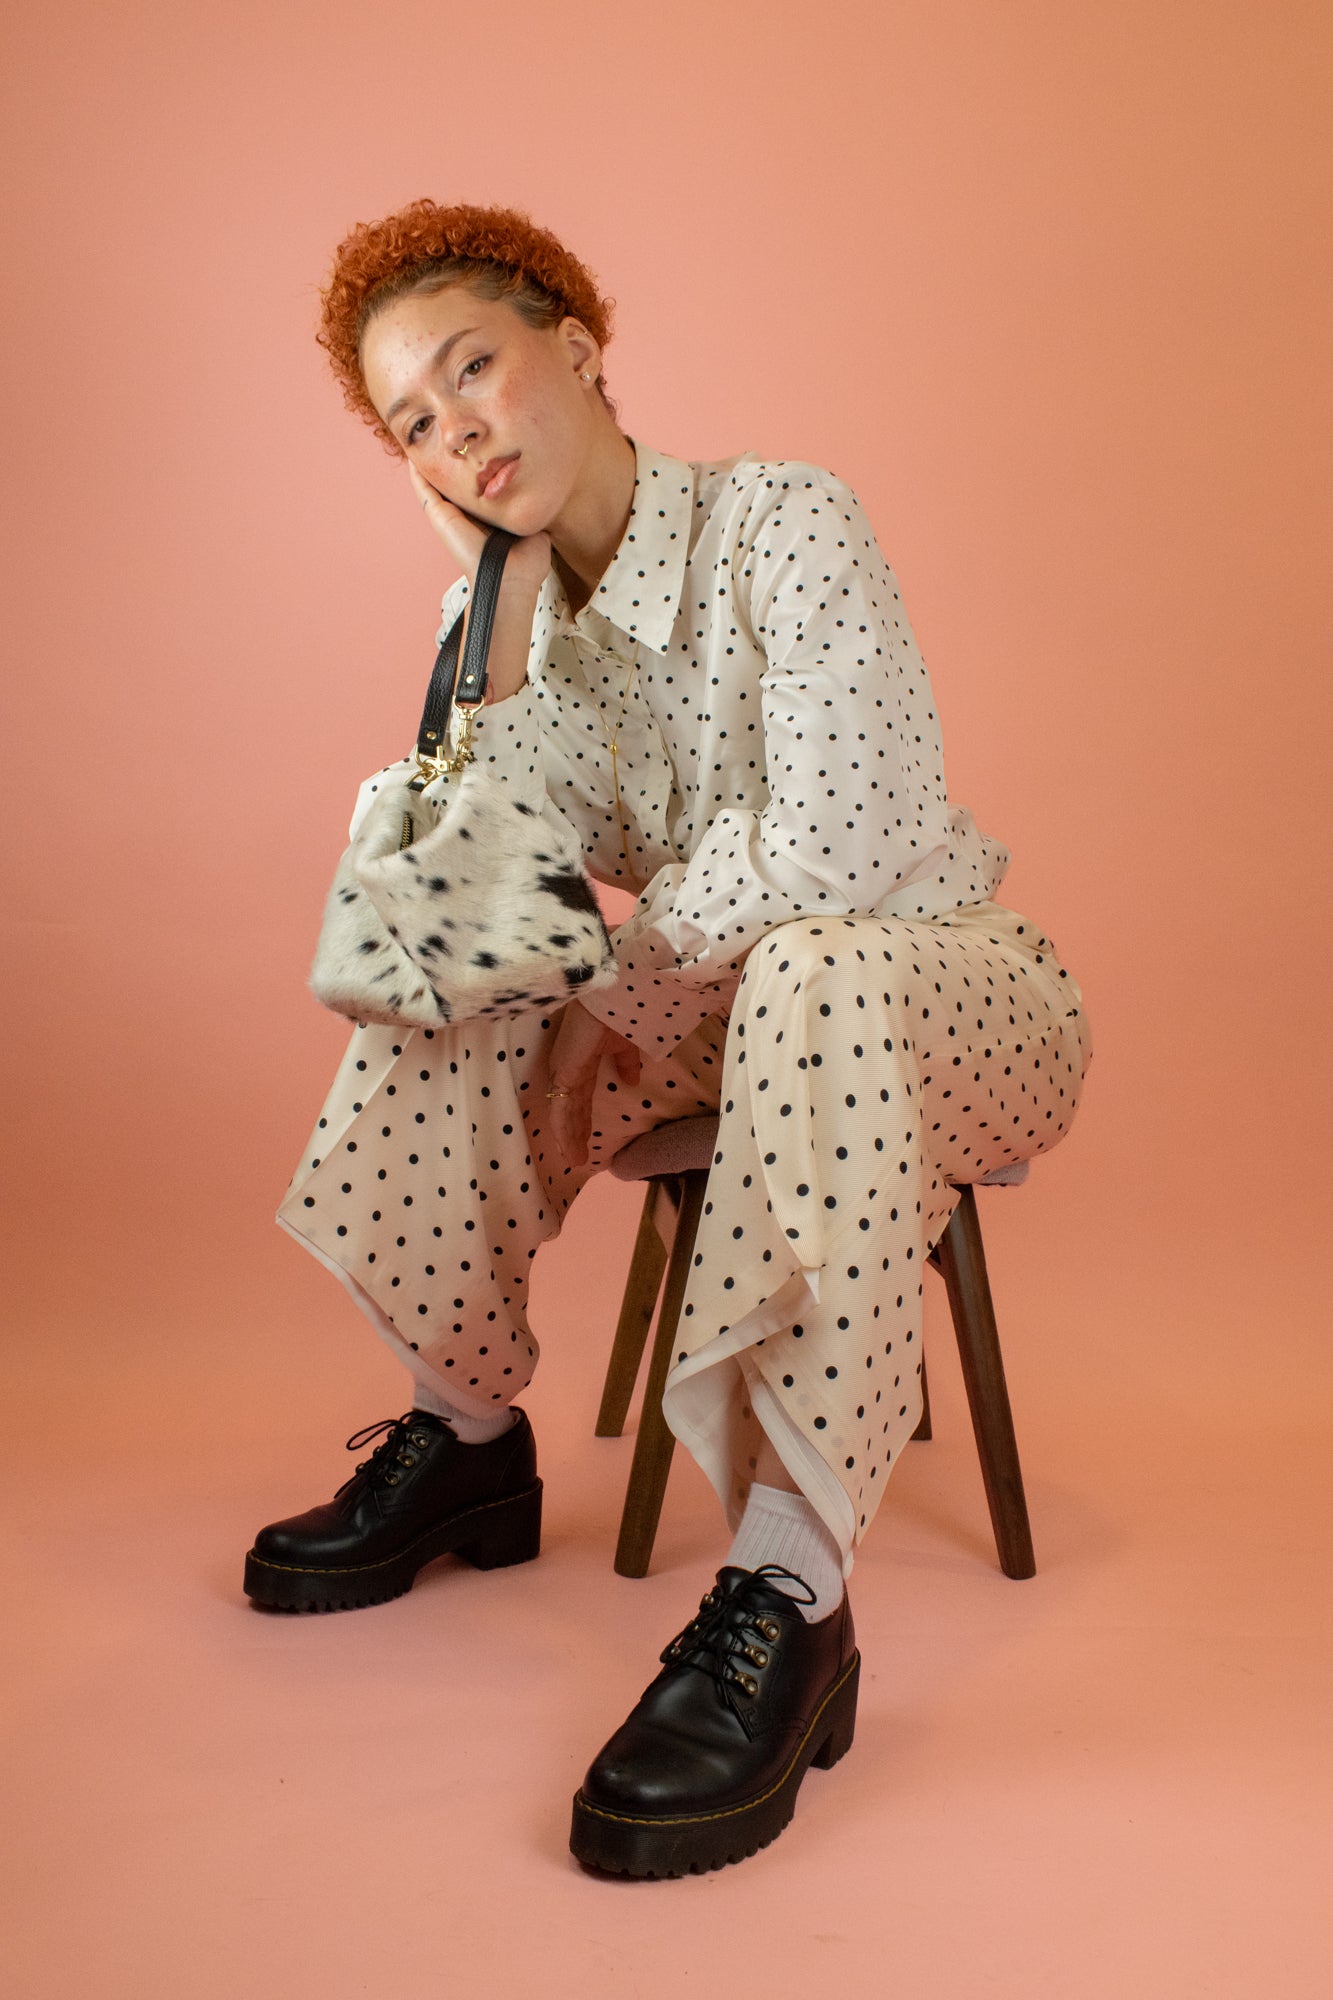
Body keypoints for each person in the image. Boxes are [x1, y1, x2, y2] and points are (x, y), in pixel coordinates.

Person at [247, 200, 1093, 1877]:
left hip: (947, 990)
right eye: (412, 422)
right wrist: (477, 664)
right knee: (470, 1004)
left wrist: (624, 999)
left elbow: (850, 836)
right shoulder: (506, 639)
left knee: (817, 968)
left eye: (470, 368)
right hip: (738, 1020)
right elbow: (441, 932)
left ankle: (789, 1595)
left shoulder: (782, 521)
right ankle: (466, 1444)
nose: (457, 427)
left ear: (575, 340)